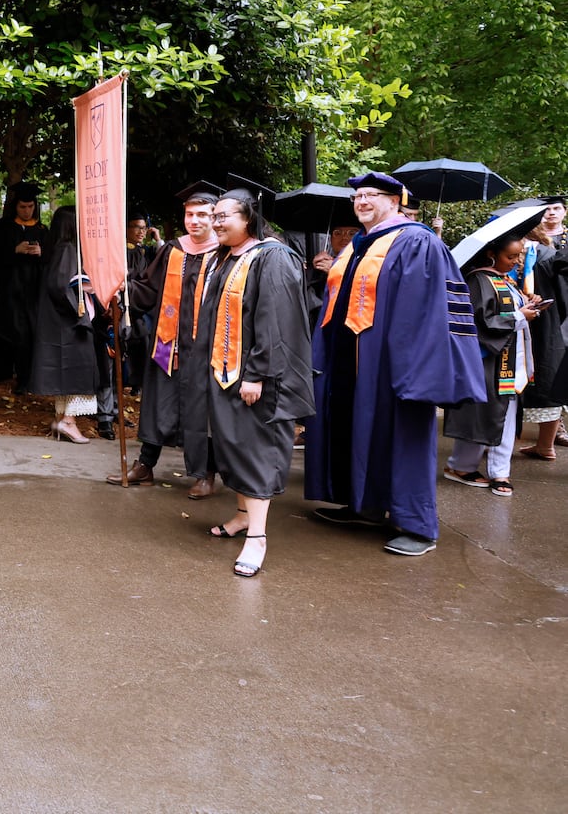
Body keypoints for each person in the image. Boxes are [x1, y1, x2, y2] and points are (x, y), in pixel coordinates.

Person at [305, 172, 487, 557]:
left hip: (394, 366)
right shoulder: (358, 244)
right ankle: (365, 506)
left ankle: (418, 526)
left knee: (403, 438)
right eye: (358, 196)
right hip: (351, 363)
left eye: (372, 195)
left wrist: (414, 368)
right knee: (356, 431)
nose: (362, 201)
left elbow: (429, 312)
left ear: (395, 201)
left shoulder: (417, 241)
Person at [200, 190, 314, 577]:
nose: (216, 222)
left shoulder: (272, 256)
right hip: (225, 372)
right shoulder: (225, 257)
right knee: (233, 447)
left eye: (223, 215)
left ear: (248, 217)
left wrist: (258, 373)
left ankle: (258, 537)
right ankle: (241, 516)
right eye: (213, 216)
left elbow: (274, 321)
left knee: (257, 451)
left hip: (256, 378)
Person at [118, 182, 223, 493]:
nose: (195, 220)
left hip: (207, 347)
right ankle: (145, 465)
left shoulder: (226, 253)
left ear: (215, 217)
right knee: (158, 402)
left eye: (202, 214)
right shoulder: (173, 250)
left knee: (202, 410)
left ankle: (205, 473)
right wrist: (123, 289)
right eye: (190, 214)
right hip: (169, 343)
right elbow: (148, 289)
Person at [443, 231, 543, 497]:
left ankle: (500, 471)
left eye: (519, 255)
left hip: (509, 362)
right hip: (489, 361)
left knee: (505, 416)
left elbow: (509, 309)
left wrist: (527, 301)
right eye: (511, 256)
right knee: (481, 414)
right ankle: (460, 466)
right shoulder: (479, 280)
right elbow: (479, 321)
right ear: (492, 254)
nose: (516, 261)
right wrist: (519, 316)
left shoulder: (503, 280)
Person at [26, 206, 96, 444]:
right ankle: (68, 421)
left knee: (65, 374)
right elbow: (60, 286)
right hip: (68, 321)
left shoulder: (54, 249)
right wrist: (79, 307)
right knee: (78, 371)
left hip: (55, 320)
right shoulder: (67, 249)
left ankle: (60, 419)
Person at [517, 198, 568, 458]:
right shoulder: (551, 255)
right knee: (546, 379)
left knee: (530, 380)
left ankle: (543, 445)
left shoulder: (530, 253)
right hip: (550, 325)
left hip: (532, 325)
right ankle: (545, 445)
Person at [0, 181, 48, 392]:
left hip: (34, 291)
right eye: (22, 207)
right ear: (15, 206)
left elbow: (51, 261)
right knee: (10, 331)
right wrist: (14, 250)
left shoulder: (42, 230)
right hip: (11, 290)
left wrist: (41, 254)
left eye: (30, 206)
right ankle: (4, 373)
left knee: (31, 333)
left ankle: (27, 378)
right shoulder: (3, 228)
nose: (26, 210)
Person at [121, 213, 160, 394]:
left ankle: (139, 383)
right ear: (127, 228)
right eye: (137, 227)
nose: (141, 232)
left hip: (143, 304)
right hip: (129, 301)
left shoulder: (143, 250)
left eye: (144, 228)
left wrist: (157, 239)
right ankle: (132, 381)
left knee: (144, 343)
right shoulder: (123, 250)